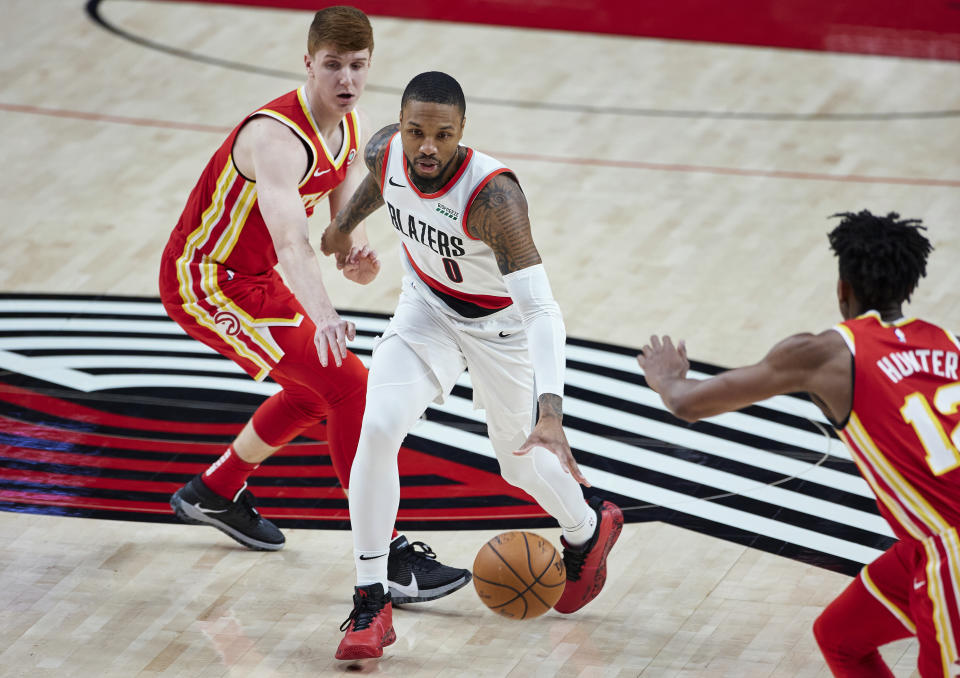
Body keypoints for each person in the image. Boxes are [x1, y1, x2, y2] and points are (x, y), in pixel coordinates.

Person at [159, 7, 470, 605]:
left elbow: (336, 233)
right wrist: (324, 312)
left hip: (253, 276)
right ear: (308, 64)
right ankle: (389, 555)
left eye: (357, 67)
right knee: (349, 384)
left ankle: (215, 491)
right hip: (205, 280)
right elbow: (290, 240)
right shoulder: (274, 137)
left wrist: (355, 255)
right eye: (333, 66)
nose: (346, 80)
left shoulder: (351, 129)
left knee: (313, 391)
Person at [322, 71, 623, 660]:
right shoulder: (386, 150)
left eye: (442, 134)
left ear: (462, 132)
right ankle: (370, 602)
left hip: (501, 330)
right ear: (402, 126)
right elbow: (383, 183)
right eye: (416, 132)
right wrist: (340, 228)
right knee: (377, 427)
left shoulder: (494, 199)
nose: (426, 146)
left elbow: (542, 309)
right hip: (427, 311)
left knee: (519, 463)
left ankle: (589, 527)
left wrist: (551, 410)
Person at [638, 211, 960, 677]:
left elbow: (689, 404)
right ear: (909, 285)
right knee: (841, 637)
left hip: (949, 553)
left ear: (842, 287)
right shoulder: (950, 345)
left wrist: (667, 379)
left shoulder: (825, 353)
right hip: (923, 544)